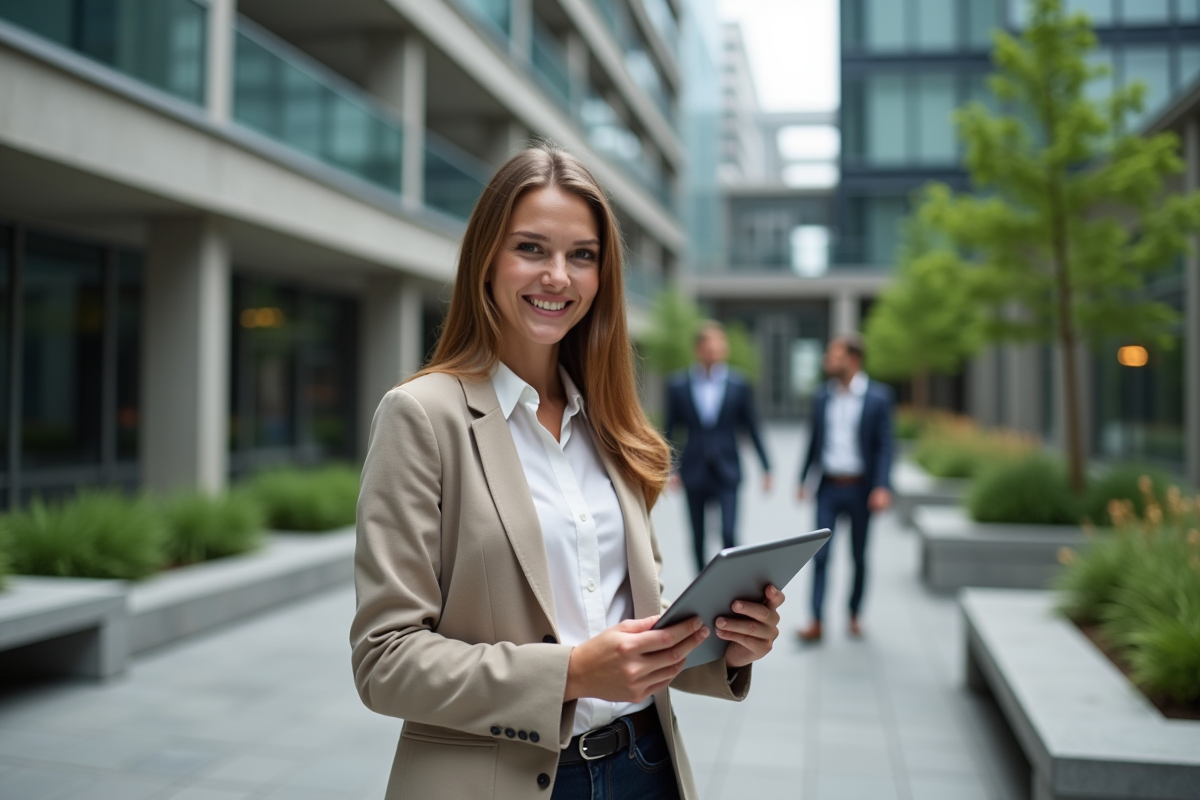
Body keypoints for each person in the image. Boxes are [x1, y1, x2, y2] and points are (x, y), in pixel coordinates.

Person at [351, 145, 786, 800]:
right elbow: (385, 661)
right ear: (487, 262)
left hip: (646, 766)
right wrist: (572, 674)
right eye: (531, 248)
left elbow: (625, 616)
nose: (558, 276)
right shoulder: (420, 417)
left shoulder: (612, 424)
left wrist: (725, 645)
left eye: (582, 255)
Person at [795, 333, 893, 642]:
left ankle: (853, 613)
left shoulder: (878, 397)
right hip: (829, 487)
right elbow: (813, 441)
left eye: (834, 356)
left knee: (858, 556)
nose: (828, 361)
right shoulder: (822, 396)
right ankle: (816, 620)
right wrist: (802, 479)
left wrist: (881, 486)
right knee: (820, 555)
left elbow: (885, 446)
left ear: (853, 360)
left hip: (861, 489)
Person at [664, 322, 772, 573]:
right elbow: (670, 431)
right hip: (694, 469)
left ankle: (731, 583)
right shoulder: (679, 385)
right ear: (698, 349)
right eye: (708, 345)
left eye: (718, 344)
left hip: (728, 467)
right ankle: (701, 587)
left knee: (729, 532)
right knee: (697, 536)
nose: (713, 349)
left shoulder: (739, 384)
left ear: (725, 349)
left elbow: (752, 427)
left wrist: (766, 467)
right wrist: (671, 468)